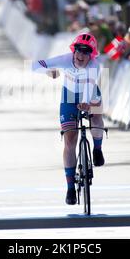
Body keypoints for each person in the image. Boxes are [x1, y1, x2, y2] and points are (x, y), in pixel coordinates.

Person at [32, 33, 105, 205]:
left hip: (90, 93)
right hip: (69, 97)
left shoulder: (95, 66)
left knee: (96, 116)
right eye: (79, 51)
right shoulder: (65, 59)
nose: (81, 56)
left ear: (91, 55)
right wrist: (49, 71)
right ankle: (70, 188)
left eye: (86, 53)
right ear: (74, 51)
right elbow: (35, 66)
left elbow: (89, 85)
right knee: (70, 140)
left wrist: (86, 103)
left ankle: (97, 148)